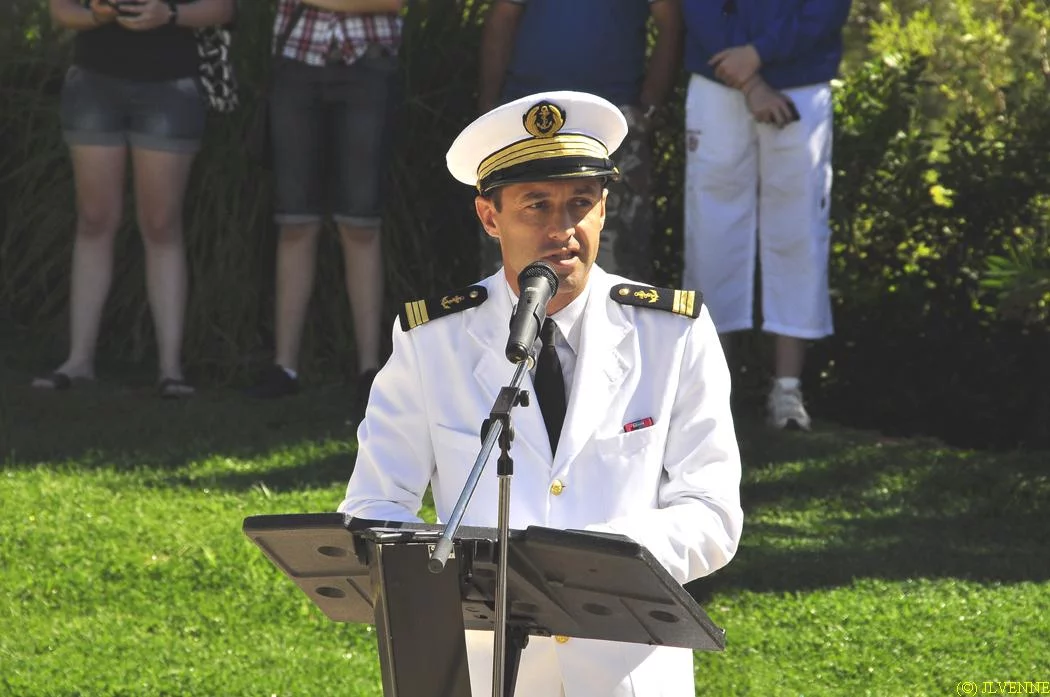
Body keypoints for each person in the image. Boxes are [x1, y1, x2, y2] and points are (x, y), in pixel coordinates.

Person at [339, 91, 743, 697]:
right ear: (489, 217)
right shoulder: (432, 341)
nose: (563, 230)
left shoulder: (673, 332)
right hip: (487, 670)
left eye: (581, 203)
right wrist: (458, 576)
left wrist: (584, 565)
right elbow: (373, 506)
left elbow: (711, 513)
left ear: (604, 209)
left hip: (625, 673)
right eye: (536, 206)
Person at [33, 0, 236, 397]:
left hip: (170, 86)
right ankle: (79, 360)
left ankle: (170, 369)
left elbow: (224, 9)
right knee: (94, 219)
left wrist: (170, 16)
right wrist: (98, 15)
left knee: (161, 224)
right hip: (94, 82)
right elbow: (61, 11)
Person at [680, 0, 852, 430]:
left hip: (802, 81)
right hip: (718, 78)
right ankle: (708, 390)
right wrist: (749, 77)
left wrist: (757, 56)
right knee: (711, 230)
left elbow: (824, 11)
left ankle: (788, 390)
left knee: (798, 231)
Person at [245, 0, 402, 422]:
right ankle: (285, 366)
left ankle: (369, 370)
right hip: (297, 63)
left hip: (369, 67)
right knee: (295, 221)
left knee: (361, 223)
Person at [475, 0, 683, 282]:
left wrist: (649, 106)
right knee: (513, 249)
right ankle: (516, 327)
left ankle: (613, 327)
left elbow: (669, 22)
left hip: (612, 125)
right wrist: (491, 111)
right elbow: (503, 17)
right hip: (526, 125)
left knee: (620, 251)